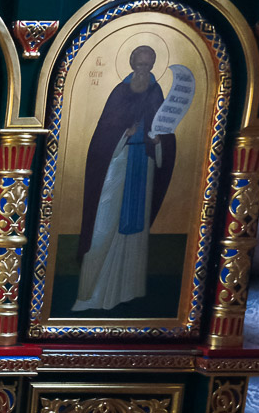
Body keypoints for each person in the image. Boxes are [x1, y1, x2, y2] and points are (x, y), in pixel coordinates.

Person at [72, 44, 179, 311]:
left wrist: (158, 141)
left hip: (144, 165)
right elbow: (104, 133)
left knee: (136, 231)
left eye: (148, 65)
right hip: (117, 162)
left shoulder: (155, 92)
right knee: (103, 225)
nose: (143, 70)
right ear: (132, 64)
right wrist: (124, 134)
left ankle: (126, 291)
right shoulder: (119, 92)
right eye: (140, 64)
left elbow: (165, 130)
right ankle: (90, 294)